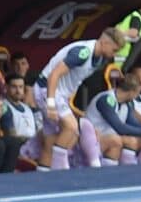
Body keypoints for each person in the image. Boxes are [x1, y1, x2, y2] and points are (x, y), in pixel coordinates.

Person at [34, 27, 121, 170]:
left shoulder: (100, 60)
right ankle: (60, 170)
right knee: (72, 128)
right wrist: (50, 104)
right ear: (105, 43)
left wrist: (67, 102)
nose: (114, 54)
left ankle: (42, 174)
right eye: (114, 50)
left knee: (51, 140)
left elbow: (74, 80)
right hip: (48, 90)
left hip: (60, 94)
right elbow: (54, 75)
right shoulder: (82, 53)